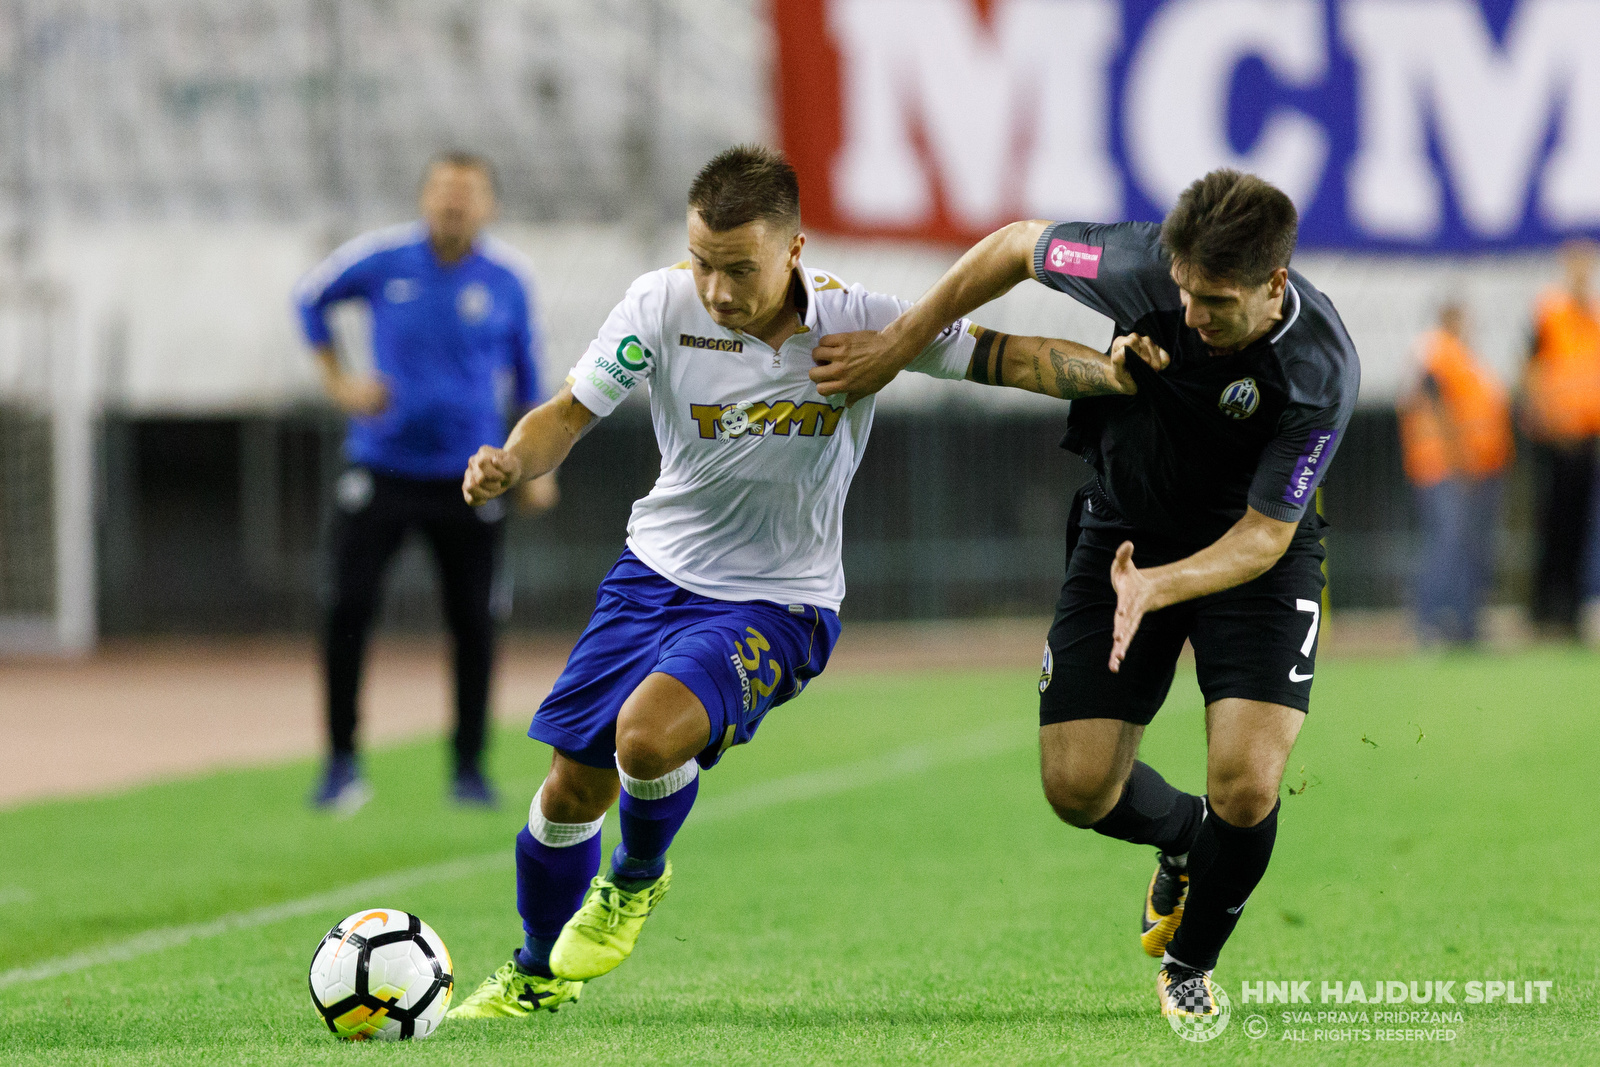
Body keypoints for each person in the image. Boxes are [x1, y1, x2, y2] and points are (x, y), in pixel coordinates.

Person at [445, 144, 1167, 1020]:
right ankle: (531, 971)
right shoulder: (660, 303)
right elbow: (567, 413)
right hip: (651, 576)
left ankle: (633, 881)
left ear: (793, 248)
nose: (715, 288)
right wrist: (509, 461)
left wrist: (1113, 370)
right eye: (704, 262)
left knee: (644, 739)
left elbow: (1003, 357)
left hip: (778, 602)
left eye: (738, 268)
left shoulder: (858, 321)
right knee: (570, 788)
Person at [809, 170, 1360, 1020]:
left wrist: (1159, 589)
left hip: (1253, 558)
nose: (1189, 312)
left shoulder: (1320, 368)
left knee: (1246, 785)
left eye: (1213, 301)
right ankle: (1184, 838)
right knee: (1076, 788)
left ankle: (1189, 963)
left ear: (1273, 285)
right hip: (1126, 528)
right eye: (1182, 289)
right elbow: (1013, 245)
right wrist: (900, 342)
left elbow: (1265, 536)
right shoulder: (1140, 261)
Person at [293, 152, 556, 813]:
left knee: (474, 621)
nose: (453, 204)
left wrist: (533, 467)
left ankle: (469, 767)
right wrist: (340, 382)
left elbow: (528, 376)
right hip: (380, 468)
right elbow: (310, 299)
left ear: (488, 205)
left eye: (467, 194)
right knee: (347, 610)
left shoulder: (506, 280)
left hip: (470, 479)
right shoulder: (383, 261)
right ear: (423, 199)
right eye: (443, 191)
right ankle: (341, 762)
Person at [1397, 302, 1513, 645]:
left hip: (1472, 468)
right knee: (1447, 544)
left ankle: (1465, 627)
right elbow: (1437, 406)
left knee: (1469, 548)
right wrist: (1460, 459)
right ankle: (1429, 624)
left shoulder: (1464, 357)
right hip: (1444, 468)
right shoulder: (1435, 350)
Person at [1521, 240, 1600, 641]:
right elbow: (1531, 366)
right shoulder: (1551, 312)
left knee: (1579, 528)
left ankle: (1569, 613)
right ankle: (1544, 611)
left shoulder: (1594, 316)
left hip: (1587, 439)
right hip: (1556, 438)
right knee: (1550, 525)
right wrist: (1538, 416)